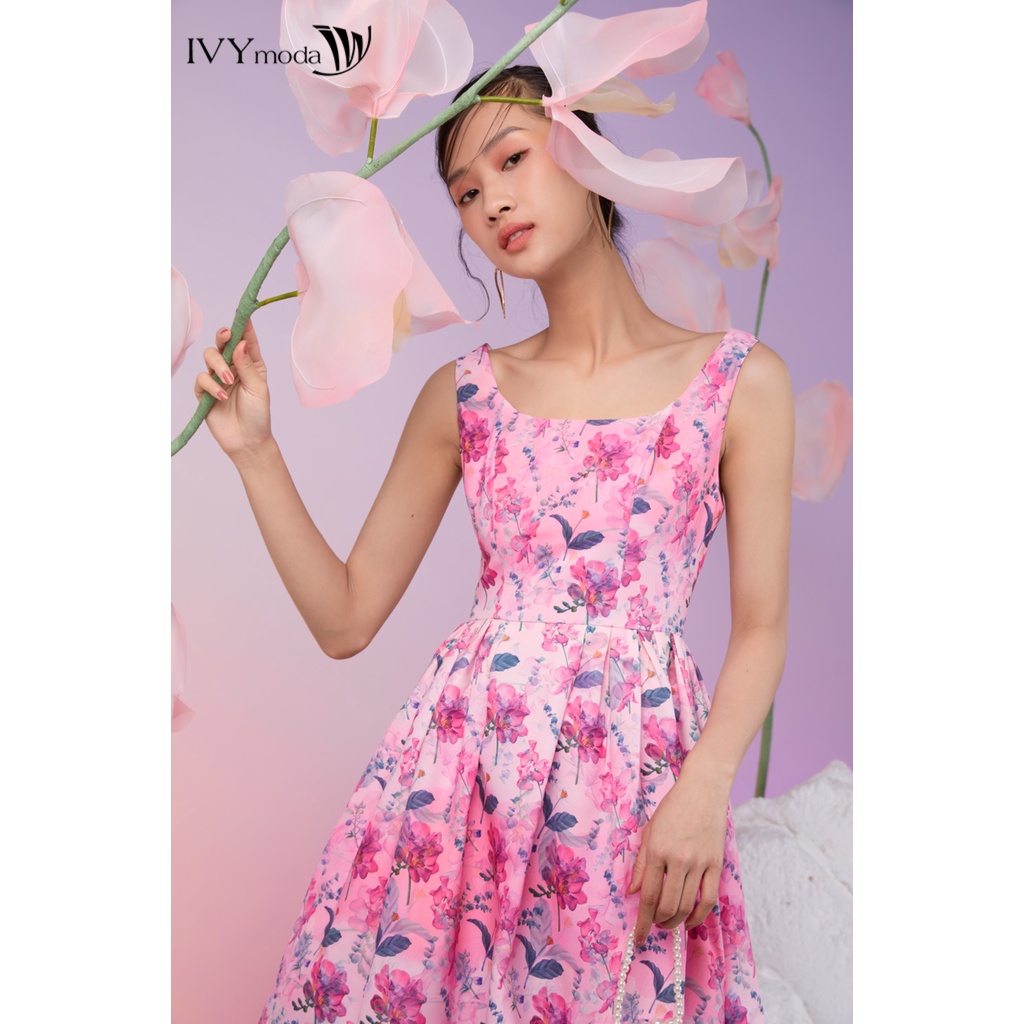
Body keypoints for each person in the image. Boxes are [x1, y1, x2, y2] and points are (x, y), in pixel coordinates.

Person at [195, 64, 793, 1024]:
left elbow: (762, 625)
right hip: (457, 792)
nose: (492, 203)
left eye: (512, 159)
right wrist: (255, 451)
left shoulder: (739, 383)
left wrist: (705, 786)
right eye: (466, 194)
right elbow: (346, 619)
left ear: (584, 152)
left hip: (636, 789)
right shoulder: (464, 394)